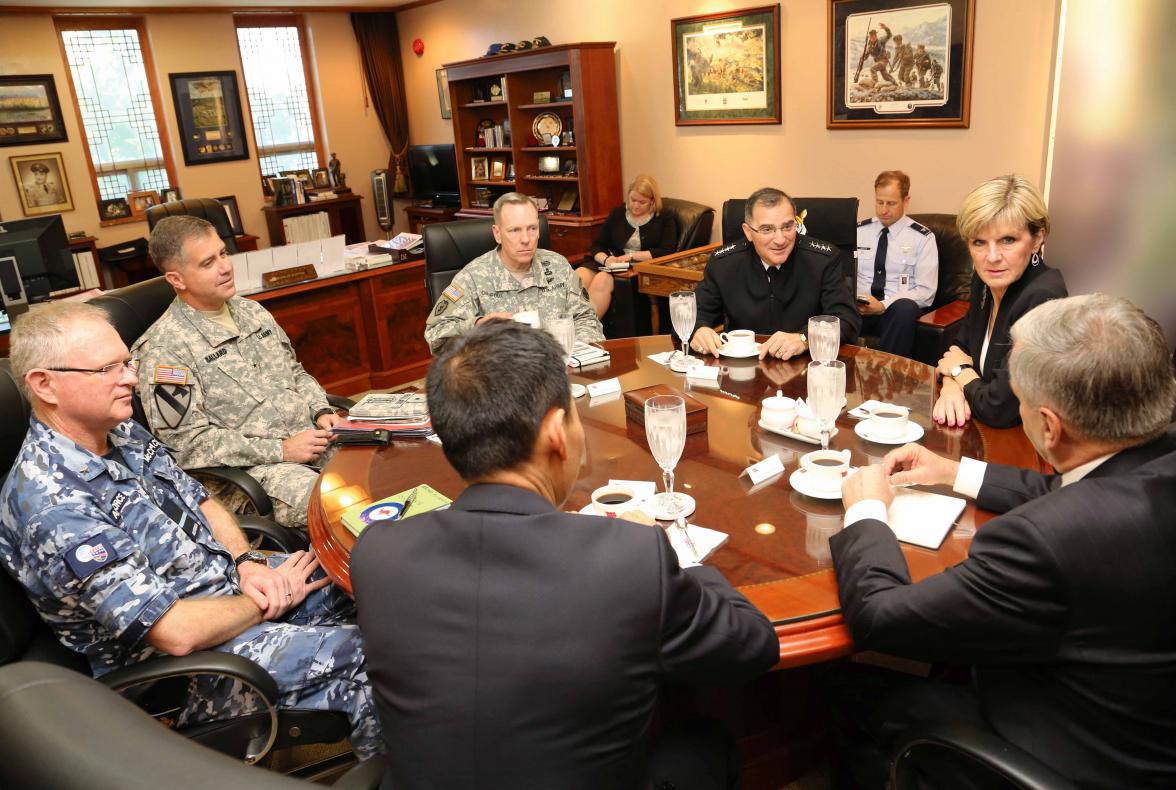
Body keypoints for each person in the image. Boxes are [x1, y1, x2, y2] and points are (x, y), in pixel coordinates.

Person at [351, 319, 779, 790]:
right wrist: (679, 556)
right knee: (706, 743)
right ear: (557, 430)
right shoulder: (631, 560)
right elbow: (753, 646)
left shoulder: (378, 553)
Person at [0, 302, 383, 761]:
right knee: (382, 653)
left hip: (233, 592)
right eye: (109, 368)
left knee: (375, 575)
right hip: (187, 673)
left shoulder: (117, 432)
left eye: (128, 363)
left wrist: (247, 564)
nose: (131, 379)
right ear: (45, 385)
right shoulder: (54, 506)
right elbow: (174, 633)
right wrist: (262, 601)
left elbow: (200, 499)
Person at [828, 293, 1176, 788]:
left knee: (838, 686)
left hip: (1084, 750)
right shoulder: (1151, 457)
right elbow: (1076, 489)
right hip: (1146, 707)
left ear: (1050, 427)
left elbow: (878, 619)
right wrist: (955, 471)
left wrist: (866, 510)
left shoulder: (1041, 541)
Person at [132, 216, 340, 530]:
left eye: (224, 254)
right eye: (207, 263)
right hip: (250, 474)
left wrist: (321, 408)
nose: (226, 267)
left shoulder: (252, 311)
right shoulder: (164, 351)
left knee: (385, 467)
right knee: (339, 503)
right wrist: (281, 449)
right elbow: (187, 445)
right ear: (177, 279)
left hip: (310, 439)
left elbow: (295, 373)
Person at [933, 175, 1067, 428]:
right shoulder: (985, 280)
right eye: (979, 242)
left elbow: (999, 407)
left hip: (1029, 443)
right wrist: (951, 385)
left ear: (1037, 238)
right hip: (981, 429)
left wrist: (959, 373)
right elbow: (957, 351)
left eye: (1008, 240)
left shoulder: (1043, 297)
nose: (991, 257)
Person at [690, 187, 860, 360]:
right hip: (742, 370)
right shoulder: (724, 263)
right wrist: (698, 330)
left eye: (787, 226)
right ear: (748, 232)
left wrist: (804, 338)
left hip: (805, 367)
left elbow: (847, 321)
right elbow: (693, 314)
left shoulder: (823, 260)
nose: (780, 240)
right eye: (766, 229)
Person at [423, 192, 603, 355]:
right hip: (500, 378)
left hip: (559, 370)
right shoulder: (473, 277)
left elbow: (585, 317)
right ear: (497, 234)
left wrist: (578, 353)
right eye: (515, 230)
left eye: (532, 228)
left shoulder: (557, 266)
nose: (526, 239)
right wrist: (478, 326)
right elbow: (436, 334)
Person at [855, 170, 938, 359]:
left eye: (891, 203)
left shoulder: (922, 238)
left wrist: (883, 305)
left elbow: (926, 292)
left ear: (906, 201)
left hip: (894, 313)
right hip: (859, 309)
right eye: (879, 202)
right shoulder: (859, 231)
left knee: (904, 308)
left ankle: (891, 378)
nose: (884, 210)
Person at [580, 174, 678, 318]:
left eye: (642, 202)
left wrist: (631, 256)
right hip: (609, 262)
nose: (635, 205)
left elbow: (666, 251)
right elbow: (597, 245)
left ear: (652, 201)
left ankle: (585, 331)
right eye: (632, 200)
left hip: (636, 267)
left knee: (601, 280)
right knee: (577, 277)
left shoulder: (664, 217)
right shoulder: (618, 213)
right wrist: (606, 260)